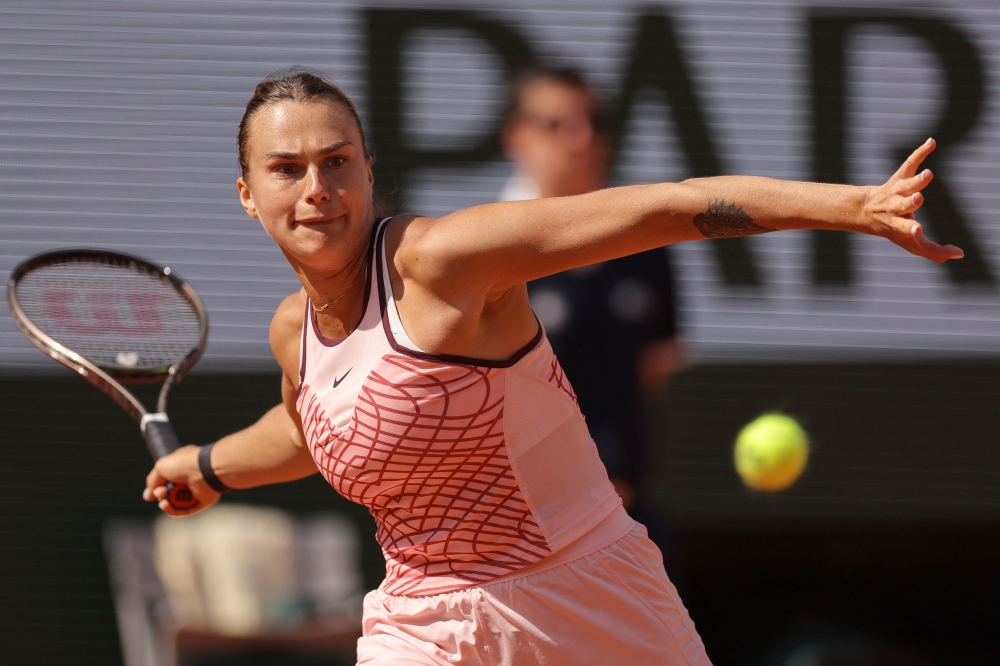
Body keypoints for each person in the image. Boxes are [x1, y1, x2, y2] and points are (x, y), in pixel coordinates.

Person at [143, 68, 961, 665]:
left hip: (587, 598)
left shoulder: (443, 260)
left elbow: (666, 208)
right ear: (249, 193)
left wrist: (854, 207)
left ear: (367, 169)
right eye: (287, 169)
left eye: (338, 161)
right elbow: (312, 425)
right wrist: (211, 467)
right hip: (421, 622)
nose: (317, 187)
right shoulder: (296, 332)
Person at [500, 67, 681, 512]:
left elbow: (655, 366)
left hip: (623, 514)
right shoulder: (488, 254)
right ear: (518, 136)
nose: (581, 140)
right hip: (517, 524)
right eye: (557, 124)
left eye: (594, 122)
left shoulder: (647, 243)